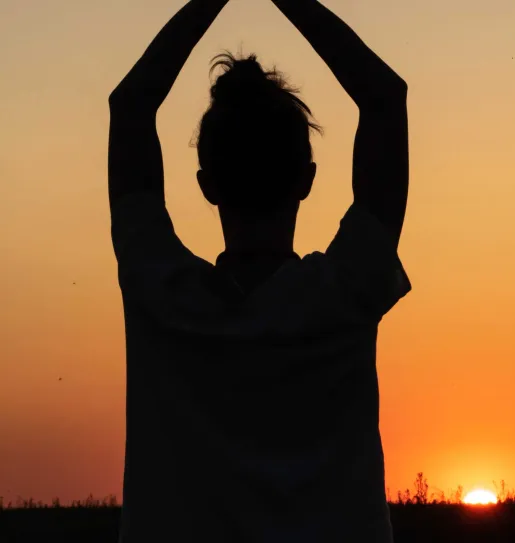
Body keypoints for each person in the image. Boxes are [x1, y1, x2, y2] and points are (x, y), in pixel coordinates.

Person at [108, 0, 409, 540]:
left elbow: (130, 105)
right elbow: (385, 98)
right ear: (307, 180)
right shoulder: (346, 292)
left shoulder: (160, 293)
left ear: (207, 185)